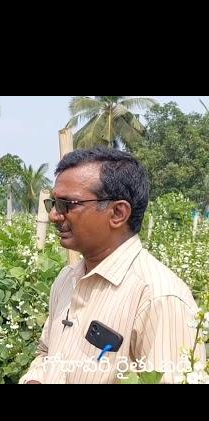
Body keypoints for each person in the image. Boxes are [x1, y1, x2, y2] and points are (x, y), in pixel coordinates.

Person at [19, 147, 205, 384]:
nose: (55, 215)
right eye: (53, 203)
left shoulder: (159, 297)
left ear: (118, 213)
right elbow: (46, 354)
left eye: (68, 204)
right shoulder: (67, 279)